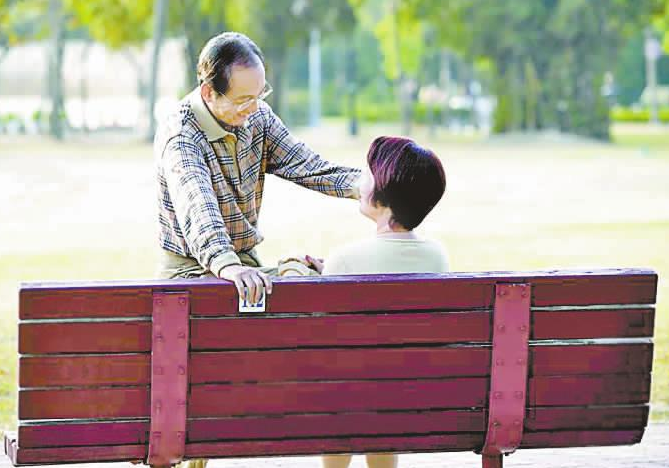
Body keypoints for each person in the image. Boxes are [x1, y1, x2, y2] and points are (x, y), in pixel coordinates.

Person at [154, 31, 361, 306]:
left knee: (311, 280)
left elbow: (308, 165)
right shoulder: (182, 135)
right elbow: (198, 208)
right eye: (243, 100)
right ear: (208, 92)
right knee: (309, 294)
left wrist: (368, 186)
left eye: (260, 95)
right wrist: (227, 264)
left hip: (245, 266)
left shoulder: (257, 116)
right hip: (191, 274)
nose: (253, 108)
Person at [305, 136, 448, 468]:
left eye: (367, 174)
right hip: (404, 394)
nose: (360, 180)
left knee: (345, 391)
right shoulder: (437, 257)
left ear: (384, 191)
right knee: (382, 391)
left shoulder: (346, 258)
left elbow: (323, 335)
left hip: (345, 396)